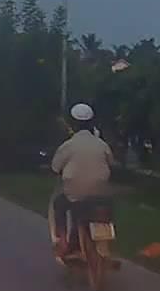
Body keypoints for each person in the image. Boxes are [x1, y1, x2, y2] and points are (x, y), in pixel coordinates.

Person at [49, 103, 115, 258]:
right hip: (100, 193)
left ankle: (63, 242)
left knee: (59, 204)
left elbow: (55, 167)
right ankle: (101, 244)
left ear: (73, 124)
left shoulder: (68, 145)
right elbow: (111, 163)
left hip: (75, 194)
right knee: (104, 210)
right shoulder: (102, 144)